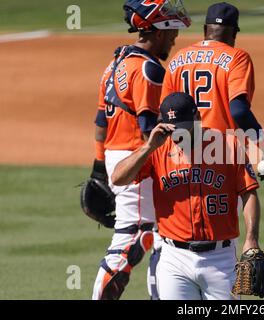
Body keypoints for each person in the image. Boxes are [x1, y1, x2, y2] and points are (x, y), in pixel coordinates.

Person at [111, 92, 263, 300]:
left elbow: (249, 192)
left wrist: (251, 239)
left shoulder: (228, 145)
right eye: (174, 131)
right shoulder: (158, 149)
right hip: (175, 259)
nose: (180, 137)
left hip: (220, 259)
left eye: (185, 129)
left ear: (198, 118)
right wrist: (147, 147)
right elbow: (118, 178)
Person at [91, 0, 190, 300]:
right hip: (138, 160)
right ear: (158, 31)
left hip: (118, 155)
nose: (174, 37)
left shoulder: (115, 63)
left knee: (163, 237)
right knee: (134, 236)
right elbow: (150, 127)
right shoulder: (148, 68)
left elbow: (100, 122)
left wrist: (98, 169)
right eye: (171, 29)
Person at [161, 2, 264, 178]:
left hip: (182, 152)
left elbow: (163, 113)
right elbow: (239, 111)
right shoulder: (237, 58)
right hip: (222, 151)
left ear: (205, 29)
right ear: (234, 33)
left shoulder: (178, 57)